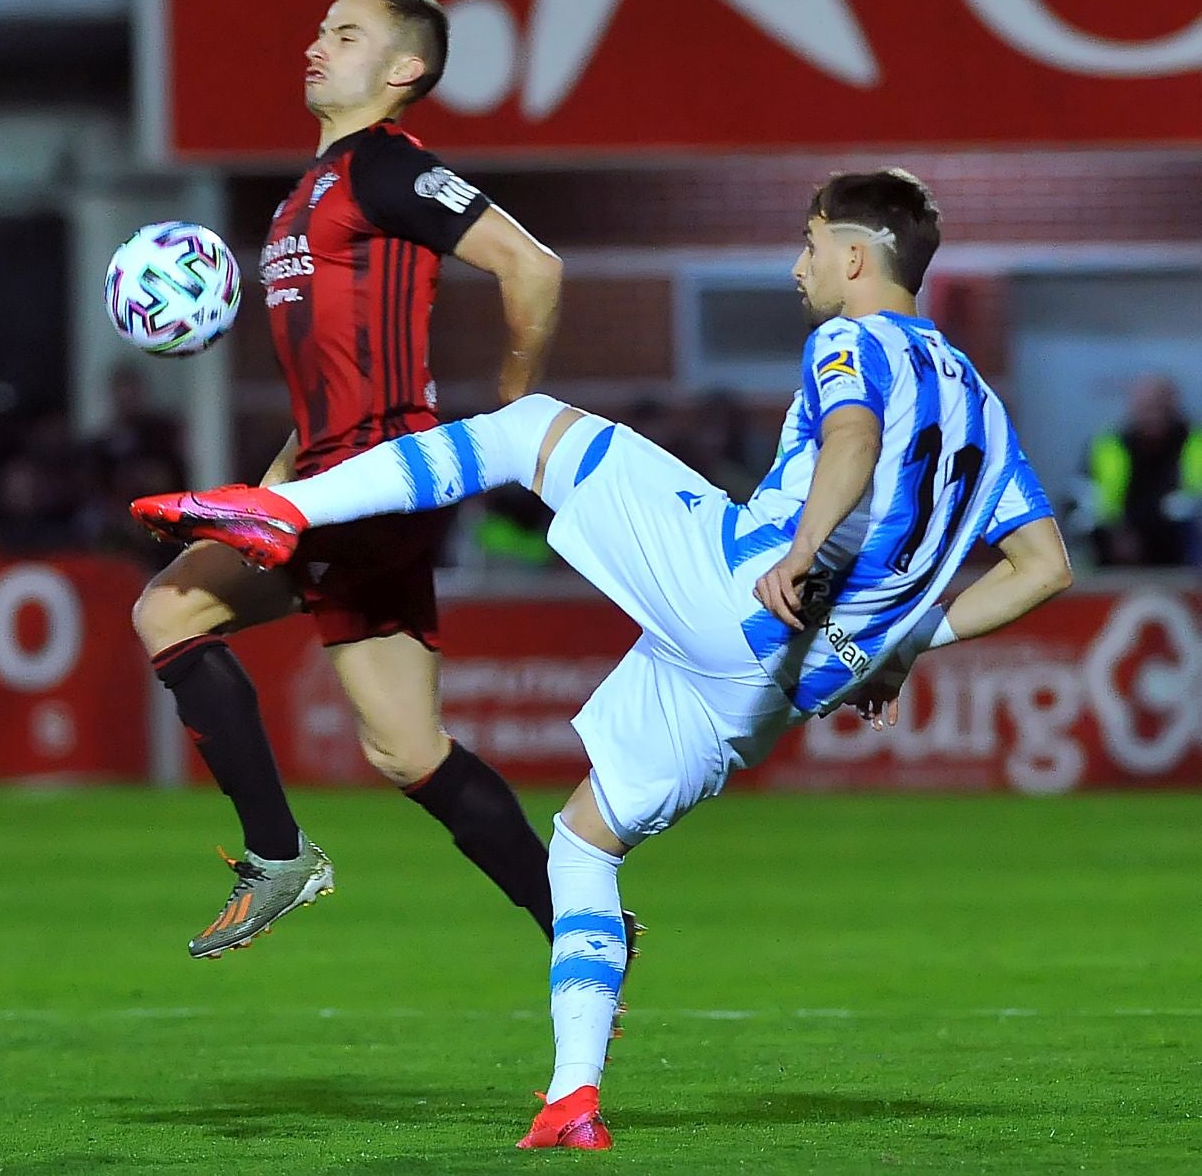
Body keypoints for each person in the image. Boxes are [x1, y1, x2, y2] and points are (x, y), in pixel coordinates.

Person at [132, 169, 1074, 1149]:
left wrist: (800, 551)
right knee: (582, 844)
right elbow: (1043, 567)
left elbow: (852, 437)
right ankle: (570, 1100)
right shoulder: (984, 407)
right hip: (785, 683)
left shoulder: (855, 337)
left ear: (853, 255)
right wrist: (905, 641)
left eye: (807, 246)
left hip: (741, 593)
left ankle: (280, 507)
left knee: (526, 430)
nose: (798, 268)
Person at [130, 0, 570, 959]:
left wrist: (514, 404)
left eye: (346, 33)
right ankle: (576, 923)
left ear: (403, 69)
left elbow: (532, 266)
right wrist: (271, 496)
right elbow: (319, 398)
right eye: (320, 26)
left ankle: (277, 856)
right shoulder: (307, 194)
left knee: (168, 610)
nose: (316, 45)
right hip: (344, 481)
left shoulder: (383, 167)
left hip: (380, 478)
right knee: (407, 748)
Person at [1084, 374, 1202, 567]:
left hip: (1184, 552)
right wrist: (1116, 533)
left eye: (1160, 404)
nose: (1154, 412)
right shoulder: (1108, 446)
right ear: (1133, 405)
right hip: (1120, 552)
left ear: (1174, 403)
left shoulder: (1195, 442)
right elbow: (1086, 502)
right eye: (1147, 405)